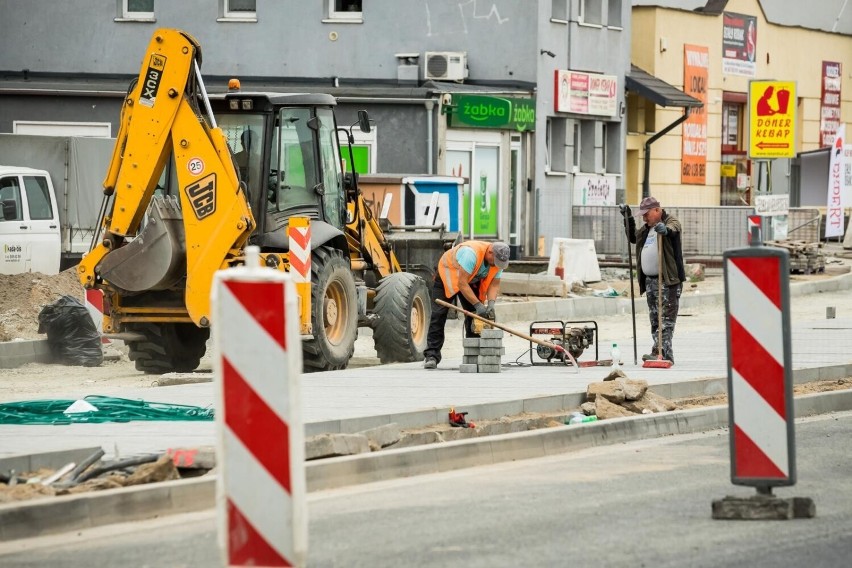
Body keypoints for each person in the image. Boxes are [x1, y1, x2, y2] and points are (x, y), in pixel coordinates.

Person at [423, 241, 510, 369]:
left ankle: (473, 354)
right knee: (439, 315)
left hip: (469, 279)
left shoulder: (497, 261)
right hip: (447, 274)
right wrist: (478, 305)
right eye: (495, 261)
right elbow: (462, 284)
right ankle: (432, 356)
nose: (496, 264)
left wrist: (491, 304)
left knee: (474, 315)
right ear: (490, 251)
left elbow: (494, 284)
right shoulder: (471, 254)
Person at [621, 196, 684, 364]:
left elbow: (674, 228)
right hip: (650, 282)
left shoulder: (669, 221)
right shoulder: (647, 229)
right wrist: (627, 219)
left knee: (666, 321)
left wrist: (666, 230)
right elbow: (634, 238)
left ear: (657, 210)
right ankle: (657, 351)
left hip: (668, 280)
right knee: (655, 319)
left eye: (646, 214)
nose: (644, 217)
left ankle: (665, 354)